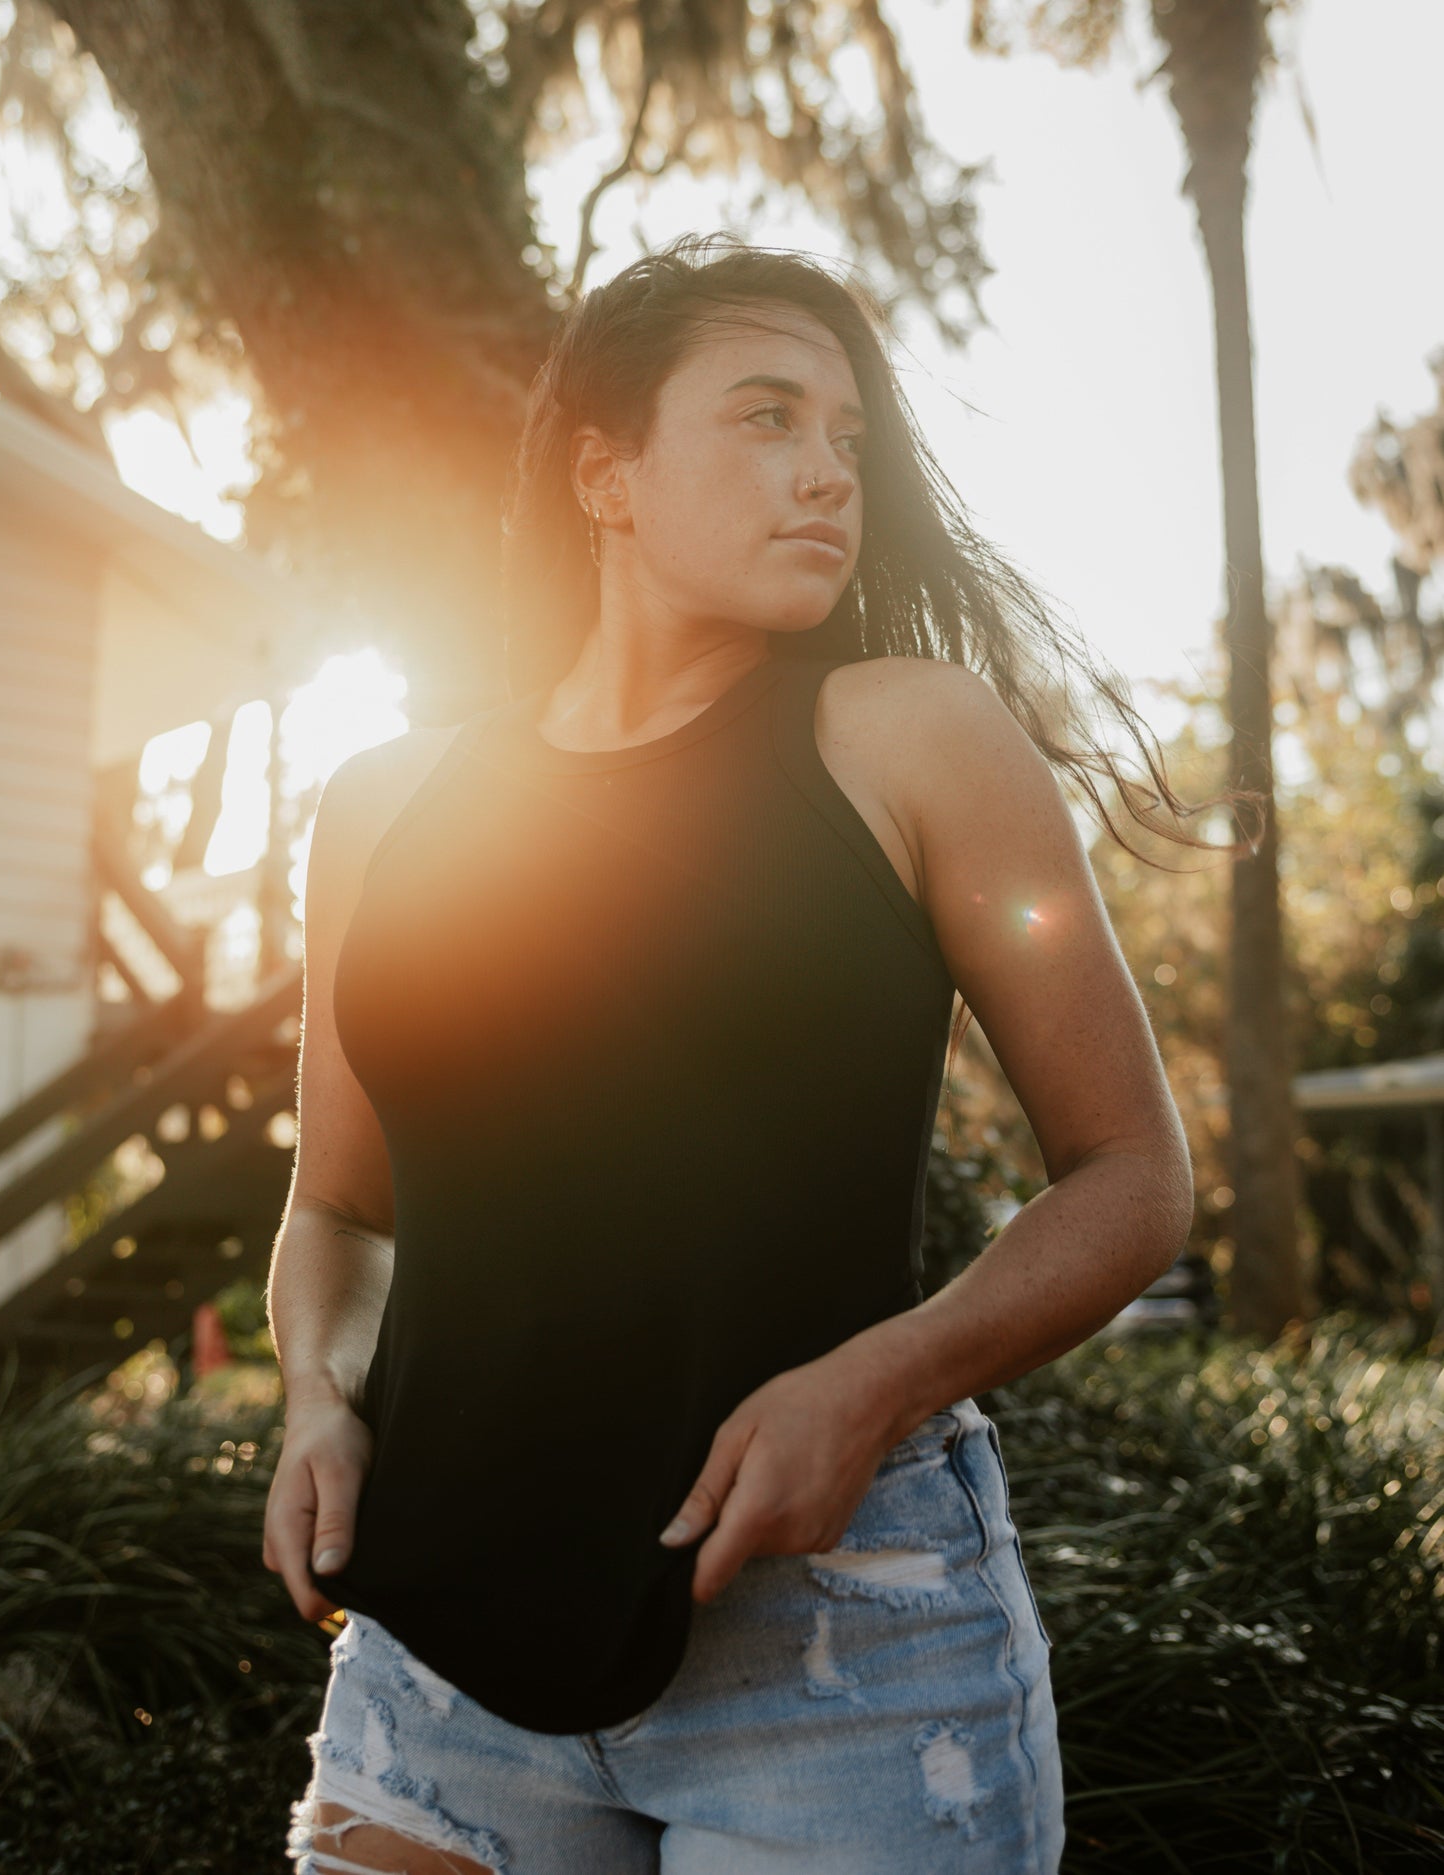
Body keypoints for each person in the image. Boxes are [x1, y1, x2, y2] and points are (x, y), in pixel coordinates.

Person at [264, 233, 1232, 1875]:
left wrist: (875, 1382)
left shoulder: (911, 736)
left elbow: (1135, 1179)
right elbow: (340, 1212)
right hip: (440, 1649)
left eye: (849, 439)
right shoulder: (383, 804)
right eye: (769, 418)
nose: (827, 476)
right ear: (606, 474)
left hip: (841, 1643)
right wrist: (315, 1396)